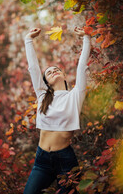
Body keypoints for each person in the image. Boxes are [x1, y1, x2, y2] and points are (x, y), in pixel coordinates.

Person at [23, 26, 91, 194]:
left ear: (64, 76)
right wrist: (28, 39)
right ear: (46, 81)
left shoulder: (75, 95)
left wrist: (86, 38)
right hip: (42, 160)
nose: (53, 72)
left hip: (65, 160)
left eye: (56, 70)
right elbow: (33, 67)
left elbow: (82, 66)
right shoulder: (42, 96)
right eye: (49, 73)